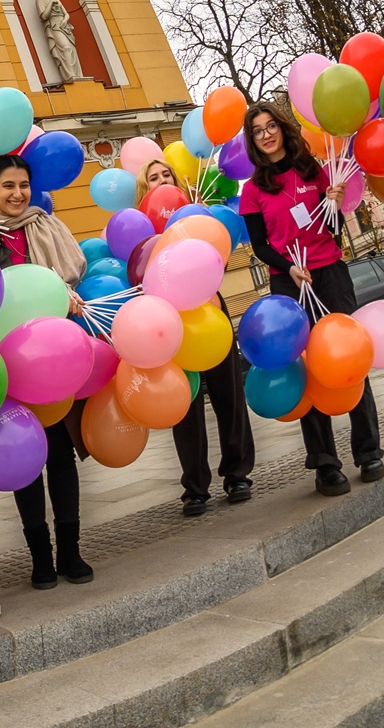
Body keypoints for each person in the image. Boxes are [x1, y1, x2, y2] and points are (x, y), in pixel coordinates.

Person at [236, 103, 383, 497]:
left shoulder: (312, 170)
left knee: (349, 357)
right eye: (257, 131)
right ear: (252, 141)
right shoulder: (252, 191)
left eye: (271, 126)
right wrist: (288, 268)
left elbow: (332, 229)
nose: (266, 134)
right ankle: (325, 463)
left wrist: (334, 201)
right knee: (306, 368)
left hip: (330, 274)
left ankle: (368, 451)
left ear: (282, 129)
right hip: (289, 284)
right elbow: (260, 246)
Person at [0, 153, 93, 589]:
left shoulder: (48, 225)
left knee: (60, 455)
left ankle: (71, 551)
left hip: (52, 358)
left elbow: (70, 275)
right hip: (8, 362)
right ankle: (41, 557)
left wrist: (69, 296)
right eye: (7, 186)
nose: (17, 194)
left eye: (23, 185)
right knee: (26, 458)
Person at [137, 158, 256, 516]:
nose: (161, 181)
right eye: (153, 178)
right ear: (146, 191)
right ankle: (194, 487)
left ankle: (237, 474)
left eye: (166, 175)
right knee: (183, 406)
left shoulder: (196, 218)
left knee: (229, 397)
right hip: (169, 328)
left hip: (209, 317)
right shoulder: (141, 232)